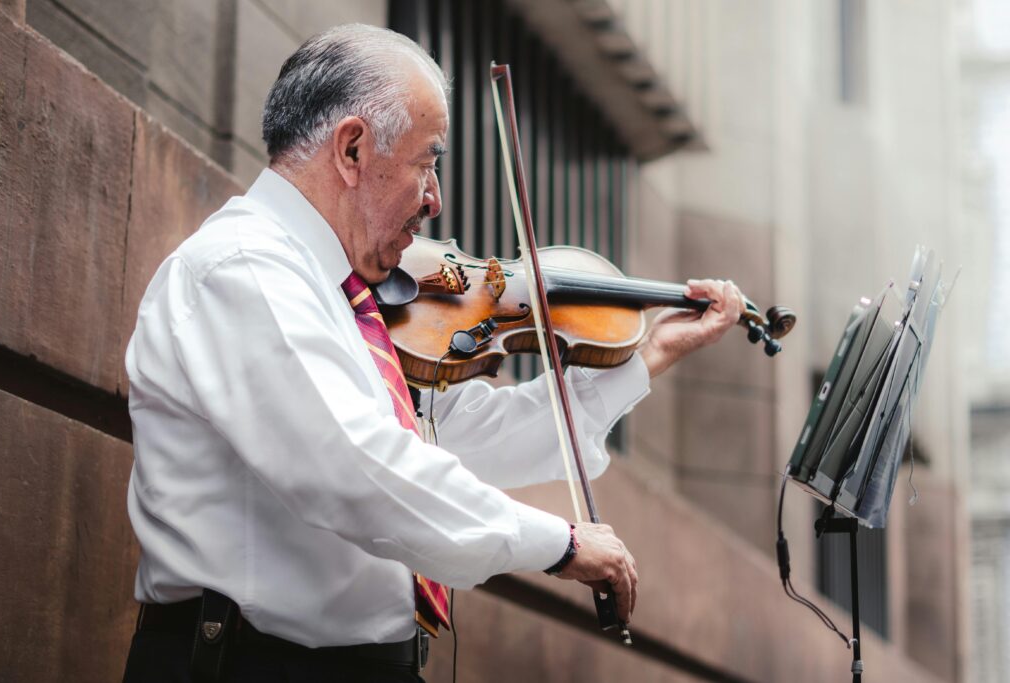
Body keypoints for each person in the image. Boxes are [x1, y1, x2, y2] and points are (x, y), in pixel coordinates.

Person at [120, 24, 743, 683]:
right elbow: (360, 467)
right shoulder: (245, 271)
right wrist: (557, 543)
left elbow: (449, 440)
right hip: (254, 667)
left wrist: (647, 357)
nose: (436, 199)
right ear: (353, 148)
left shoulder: (342, 295)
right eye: (428, 162)